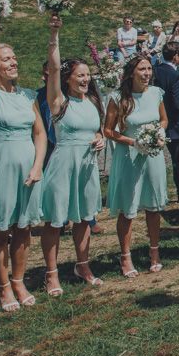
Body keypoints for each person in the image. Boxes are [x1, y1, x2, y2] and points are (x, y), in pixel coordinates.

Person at [0, 18, 46, 311]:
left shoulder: (28, 96)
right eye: (6, 59)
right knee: (1, 231)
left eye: (14, 57)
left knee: (24, 228)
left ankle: (18, 279)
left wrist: (38, 165)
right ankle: (3, 286)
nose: (13, 62)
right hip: (2, 167)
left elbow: (39, 133)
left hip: (29, 167)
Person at [40, 16, 106, 297]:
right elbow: (53, 68)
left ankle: (83, 265)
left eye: (88, 75)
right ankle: (51, 274)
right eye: (80, 75)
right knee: (56, 220)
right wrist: (54, 34)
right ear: (67, 78)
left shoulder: (91, 101)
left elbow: (97, 129)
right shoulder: (58, 102)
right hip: (64, 164)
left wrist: (100, 137)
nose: (85, 79)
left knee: (84, 217)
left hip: (88, 166)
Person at [104, 55, 169, 277]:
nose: (147, 73)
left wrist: (157, 133)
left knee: (153, 206)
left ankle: (154, 253)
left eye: (149, 69)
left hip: (152, 155)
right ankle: (125, 257)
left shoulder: (156, 93)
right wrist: (132, 141)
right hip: (129, 156)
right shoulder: (118, 98)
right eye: (142, 69)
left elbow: (163, 119)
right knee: (128, 209)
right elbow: (109, 130)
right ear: (132, 72)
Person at [153, 42, 179, 203]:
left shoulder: (155, 71)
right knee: (178, 160)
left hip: (155, 119)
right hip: (173, 122)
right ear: (175, 56)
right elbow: (178, 103)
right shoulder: (175, 75)